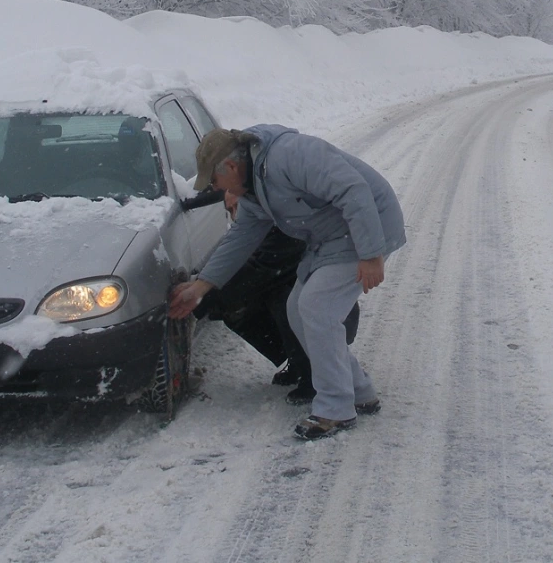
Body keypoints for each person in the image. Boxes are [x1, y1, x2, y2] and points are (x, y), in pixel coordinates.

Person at [169, 125, 406, 440]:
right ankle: (358, 390)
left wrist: (371, 253)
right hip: (330, 238)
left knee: (317, 308)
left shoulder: (289, 156)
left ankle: (335, 409)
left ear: (230, 166)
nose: (215, 188)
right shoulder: (254, 186)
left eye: (213, 180)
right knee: (298, 310)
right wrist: (203, 285)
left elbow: (352, 190)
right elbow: (242, 235)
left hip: (366, 227)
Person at [186, 191, 360, 404]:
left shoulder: (282, 230)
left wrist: (198, 298)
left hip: (331, 314)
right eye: (229, 210)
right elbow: (215, 188)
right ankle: (298, 361)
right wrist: (184, 202)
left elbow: (257, 270)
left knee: (281, 300)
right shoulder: (261, 214)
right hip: (301, 295)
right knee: (241, 302)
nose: (234, 215)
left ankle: (314, 374)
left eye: (236, 207)